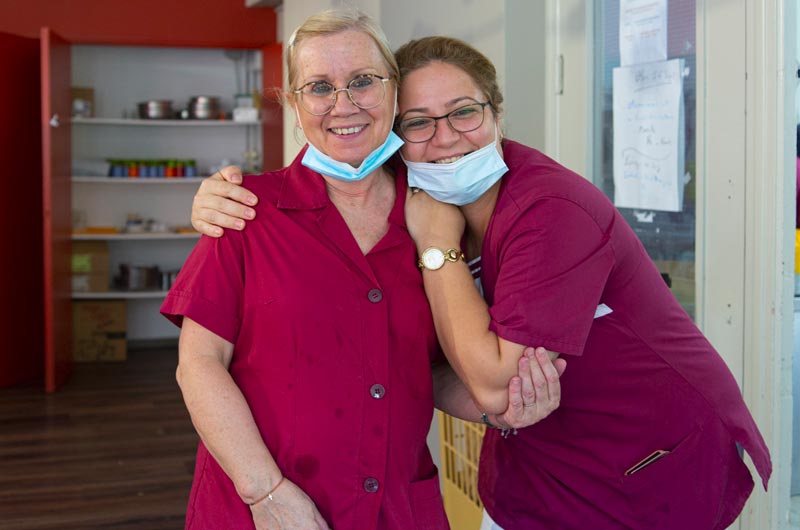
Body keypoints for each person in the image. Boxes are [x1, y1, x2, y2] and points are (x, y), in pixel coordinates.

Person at [193, 33, 773, 530]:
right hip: (540, 458)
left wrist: (438, 248)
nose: (444, 138)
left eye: (465, 112)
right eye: (418, 122)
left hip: (647, 452)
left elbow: (496, 381)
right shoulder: (401, 200)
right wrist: (212, 198)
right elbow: (426, 363)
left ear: (496, 112)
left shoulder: (548, 210)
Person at [163, 10, 565, 530]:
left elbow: (426, 367)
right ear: (293, 103)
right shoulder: (246, 211)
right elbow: (198, 362)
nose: (343, 105)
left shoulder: (438, 223)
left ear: (394, 90)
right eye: (319, 87)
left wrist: (495, 408)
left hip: (396, 509)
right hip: (261, 510)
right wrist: (265, 493)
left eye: (361, 82)